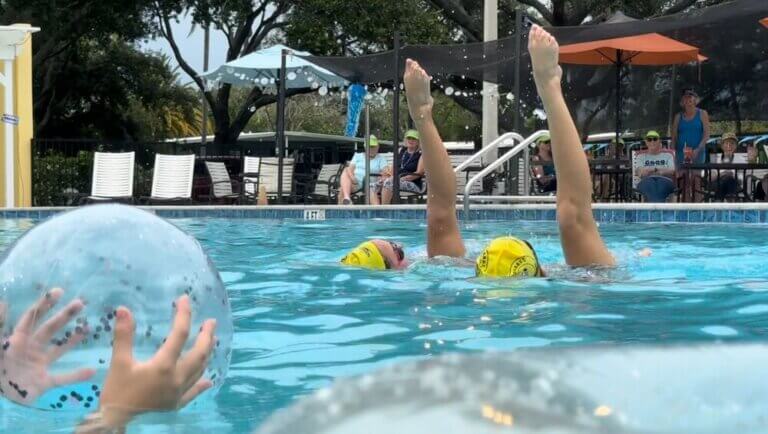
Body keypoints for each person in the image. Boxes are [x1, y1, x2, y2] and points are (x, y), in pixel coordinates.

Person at [671, 88, 710, 201]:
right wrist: (672, 155)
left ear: (695, 100)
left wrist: (698, 149)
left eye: (690, 97)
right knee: (684, 182)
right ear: (682, 102)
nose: (688, 100)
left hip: (698, 151)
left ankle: (698, 209)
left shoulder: (702, 113)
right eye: (686, 98)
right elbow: (674, 137)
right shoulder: (678, 116)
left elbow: (706, 134)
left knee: (696, 180)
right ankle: (686, 209)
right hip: (681, 152)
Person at [372, 129, 426, 205]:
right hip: (396, 180)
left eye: (414, 139)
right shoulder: (400, 151)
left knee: (389, 183)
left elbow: (419, 172)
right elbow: (392, 169)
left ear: (418, 141)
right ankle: (377, 210)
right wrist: (387, 176)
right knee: (373, 185)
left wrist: (401, 179)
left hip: (413, 183)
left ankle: (384, 210)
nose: (411, 140)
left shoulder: (421, 154)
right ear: (405, 140)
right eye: (409, 138)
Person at [338, 135, 388, 205]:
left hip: (370, 183)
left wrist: (382, 177)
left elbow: (385, 172)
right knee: (346, 171)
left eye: (373, 146)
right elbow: (350, 169)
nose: (372, 148)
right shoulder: (357, 156)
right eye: (370, 146)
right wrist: (352, 178)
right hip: (356, 183)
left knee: (342, 189)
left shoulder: (381, 159)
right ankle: (347, 201)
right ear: (365, 147)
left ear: (378, 147)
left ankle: (347, 203)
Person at [635, 130, 676, 202]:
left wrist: (649, 170)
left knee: (659, 185)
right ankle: (658, 209)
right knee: (651, 185)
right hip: (647, 183)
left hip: (665, 183)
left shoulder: (668, 155)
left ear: (659, 141)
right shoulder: (640, 157)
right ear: (646, 142)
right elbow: (640, 172)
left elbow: (672, 171)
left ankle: (654, 210)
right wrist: (658, 170)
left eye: (655, 139)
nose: (652, 142)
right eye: (649, 139)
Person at [712, 132, 740, 201]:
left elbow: (742, 178)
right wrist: (723, 174)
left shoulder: (740, 159)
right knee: (725, 180)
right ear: (722, 146)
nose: (729, 145)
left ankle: (718, 202)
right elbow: (711, 177)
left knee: (729, 180)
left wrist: (732, 175)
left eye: (732, 143)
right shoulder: (715, 159)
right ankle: (731, 203)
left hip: (734, 184)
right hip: (718, 183)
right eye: (726, 143)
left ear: (736, 146)